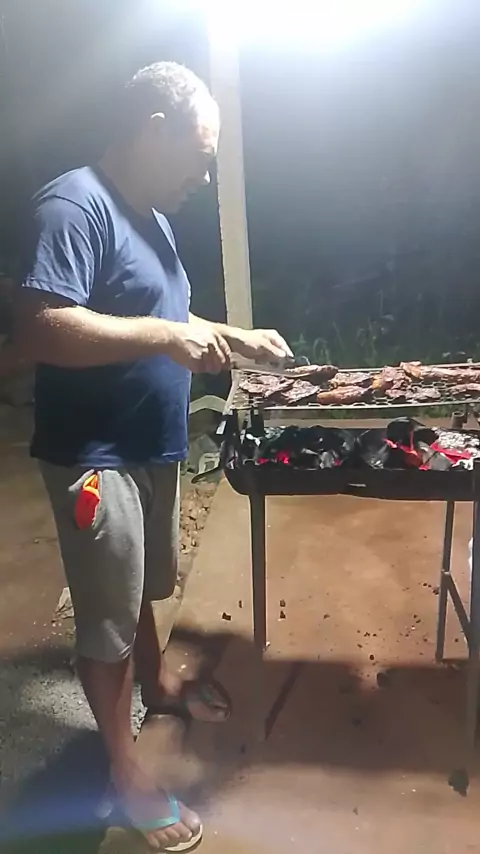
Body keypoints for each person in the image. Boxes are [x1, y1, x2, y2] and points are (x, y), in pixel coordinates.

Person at [15, 62, 292, 852]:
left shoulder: (153, 221)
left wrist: (232, 337)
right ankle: (126, 774)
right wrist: (168, 336)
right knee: (106, 619)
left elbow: (168, 312)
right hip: (95, 455)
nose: (202, 177)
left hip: (150, 443)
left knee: (141, 584)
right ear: (153, 129)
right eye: (198, 157)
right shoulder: (74, 206)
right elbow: (40, 325)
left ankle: (159, 682)